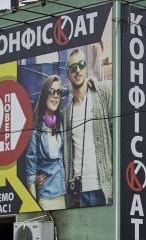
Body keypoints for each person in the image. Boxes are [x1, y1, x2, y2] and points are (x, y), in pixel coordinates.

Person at [63, 47, 113, 208]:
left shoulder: (102, 93)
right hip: (78, 193)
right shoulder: (66, 113)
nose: (78, 70)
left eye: (81, 65)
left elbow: (117, 134)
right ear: (68, 74)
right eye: (73, 68)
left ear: (86, 68)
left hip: (105, 188)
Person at [25, 75, 67, 210]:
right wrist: (34, 207)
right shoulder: (36, 131)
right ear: (44, 95)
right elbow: (31, 175)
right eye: (52, 91)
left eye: (58, 92)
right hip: (46, 199)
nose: (55, 96)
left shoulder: (62, 124)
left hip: (64, 195)